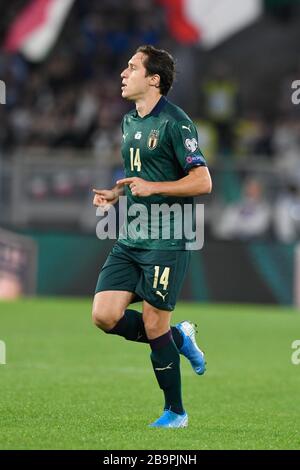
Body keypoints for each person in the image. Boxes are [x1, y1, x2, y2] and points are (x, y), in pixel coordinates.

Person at [92, 45, 212, 428]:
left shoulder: (177, 123)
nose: (124, 73)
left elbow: (202, 181)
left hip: (169, 238)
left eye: (132, 67)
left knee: (153, 323)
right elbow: (140, 179)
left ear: (154, 79)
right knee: (104, 315)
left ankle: (176, 412)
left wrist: (152, 185)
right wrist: (117, 193)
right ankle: (180, 337)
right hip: (132, 237)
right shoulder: (129, 122)